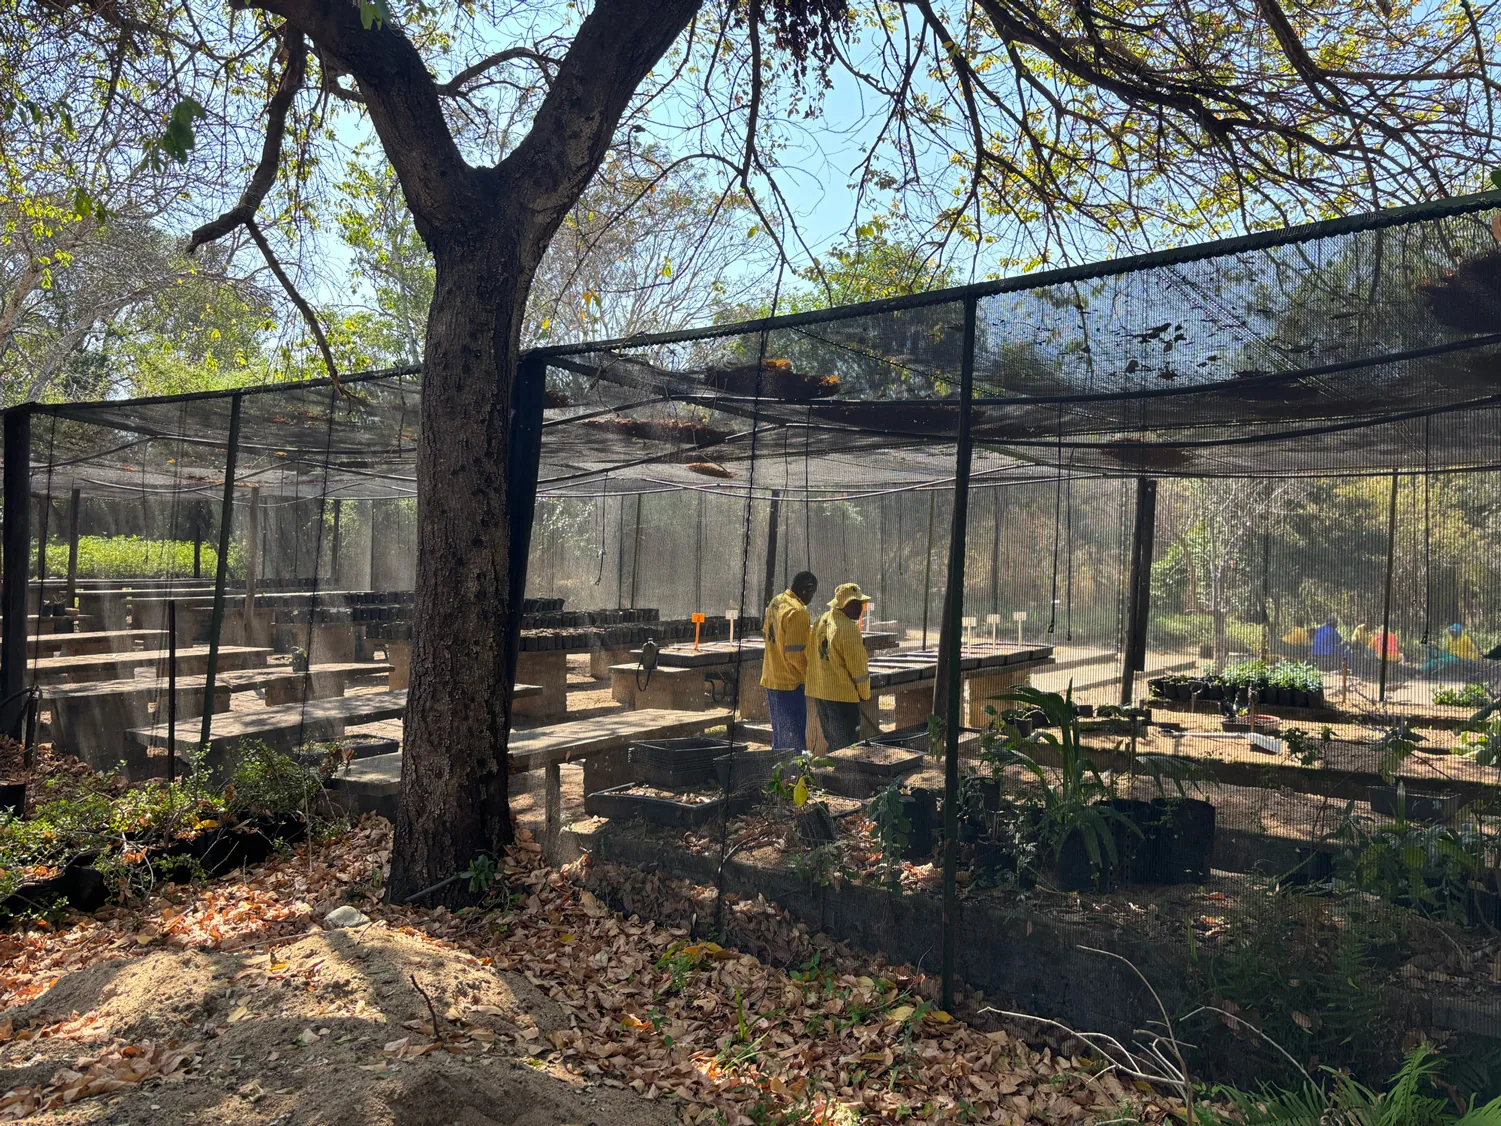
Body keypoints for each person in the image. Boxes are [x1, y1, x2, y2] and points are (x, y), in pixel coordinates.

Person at [806, 582, 873, 752]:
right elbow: (858, 669)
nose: (859, 608)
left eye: (860, 603)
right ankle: (843, 770)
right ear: (842, 605)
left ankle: (833, 768)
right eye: (854, 604)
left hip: (821, 694)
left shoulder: (821, 621)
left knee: (833, 743)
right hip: (842, 697)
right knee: (847, 747)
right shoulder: (849, 628)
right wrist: (865, 694)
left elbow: (811, 654)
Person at [760, 571, 818, 751]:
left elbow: (767, 633)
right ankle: (793, 769)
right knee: (793, 741)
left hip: (771, 678)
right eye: (812, 593)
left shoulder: (776, 601)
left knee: (779, 737)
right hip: (790, 684)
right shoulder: (798, 612)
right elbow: (795, 655)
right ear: (806, 590)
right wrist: (811, 677)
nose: (811, 598)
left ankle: (778, 768)